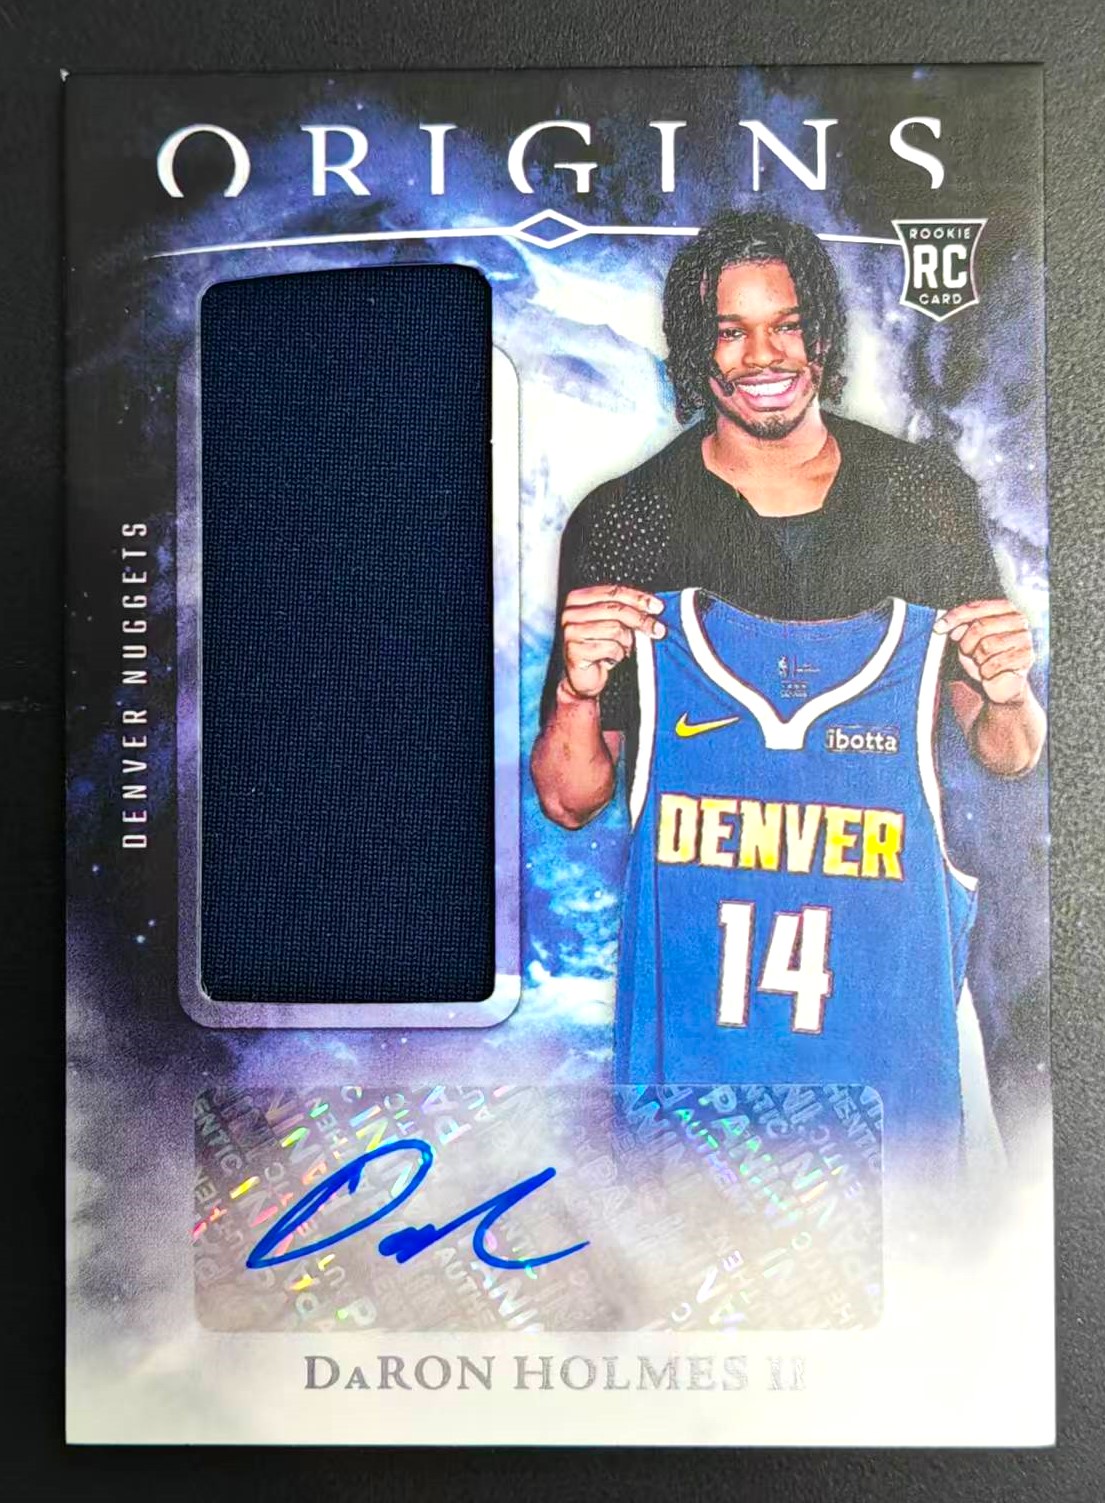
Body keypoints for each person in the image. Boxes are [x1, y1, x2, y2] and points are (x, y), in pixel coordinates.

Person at [530, 210, 1045, 829]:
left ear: (822, 336)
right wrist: (576, 694)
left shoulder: (923, 494)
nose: (764, 356)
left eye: (789, 326)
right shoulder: (625, 518)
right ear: (696, 347)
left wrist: (1009, 694)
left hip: (876, 882)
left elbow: (1010, 754)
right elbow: (569, 802)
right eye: (730, 332)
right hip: (699, 887)